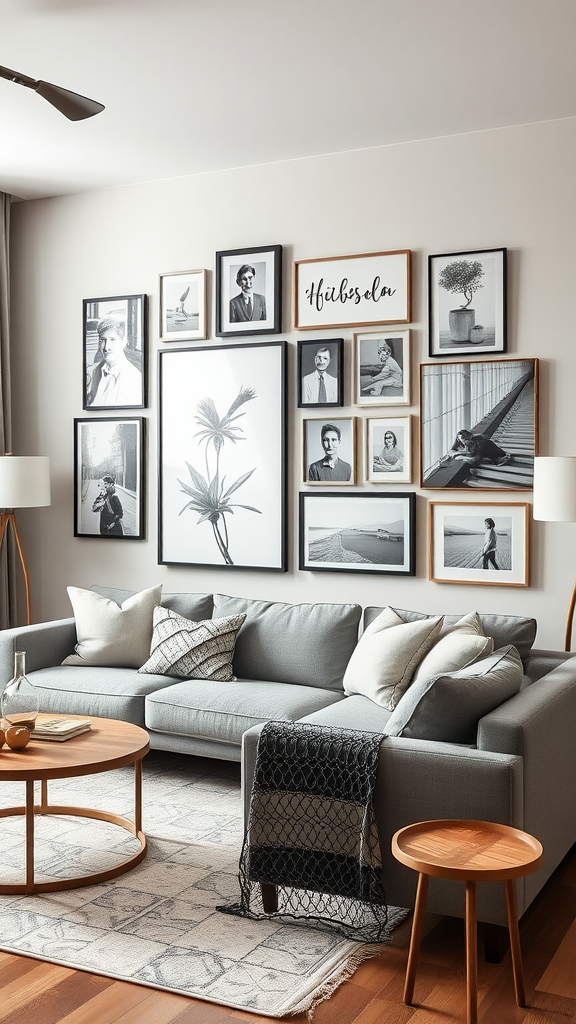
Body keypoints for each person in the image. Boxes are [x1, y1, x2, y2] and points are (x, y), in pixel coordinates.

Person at [87, 317, 142, 407]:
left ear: (124, 342)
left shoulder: (133, 378)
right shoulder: (93, 371)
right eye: (102, 340)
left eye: (112, 340)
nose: (106, 347)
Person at [446, 428, 510, 467]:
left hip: (500, 458)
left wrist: (460, 457)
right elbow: (452, 449)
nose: (463, 443)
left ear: (468, 439)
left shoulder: (481, 443)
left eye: (464, 440)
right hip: (490, 456)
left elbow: (475, 461)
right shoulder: (472, 442)